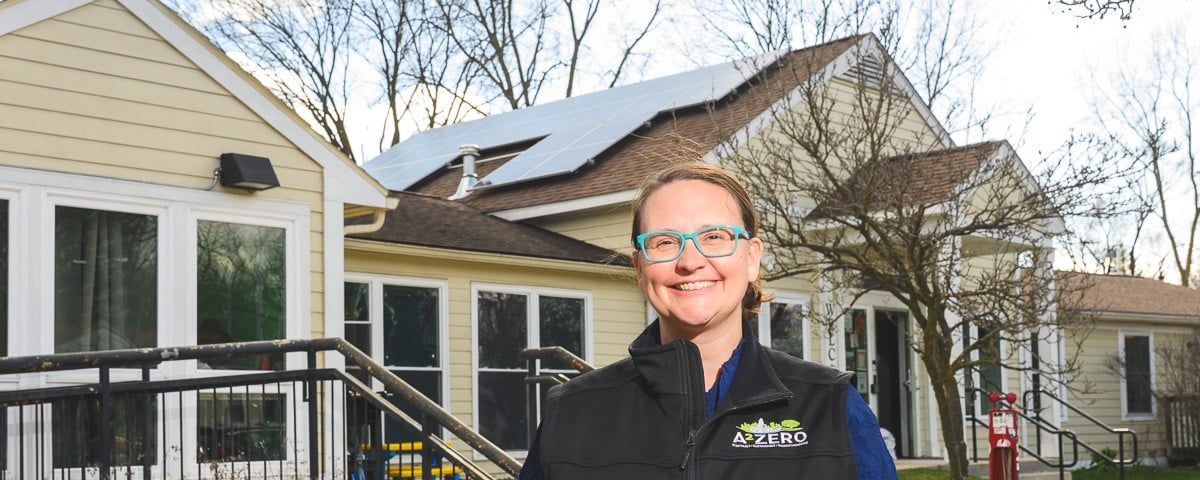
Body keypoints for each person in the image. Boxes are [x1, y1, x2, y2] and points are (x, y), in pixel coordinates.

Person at [518, 162, 898, 479]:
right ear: (639, 267)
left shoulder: (831, 406)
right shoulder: (572, 412)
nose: (689, 261)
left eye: (714, 236)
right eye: (665, 242)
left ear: (751, 258)